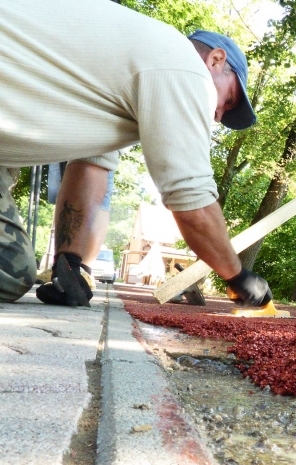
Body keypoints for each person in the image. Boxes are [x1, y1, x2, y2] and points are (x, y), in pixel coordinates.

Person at [0, 0, 272, 309]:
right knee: (11, 271)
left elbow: (90, 166)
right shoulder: (184, 67)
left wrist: (70, 263)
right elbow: (190, 196)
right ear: (215, 60)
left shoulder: (119, 75)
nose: (218, 116)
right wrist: (237, 276)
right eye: (229, 100)